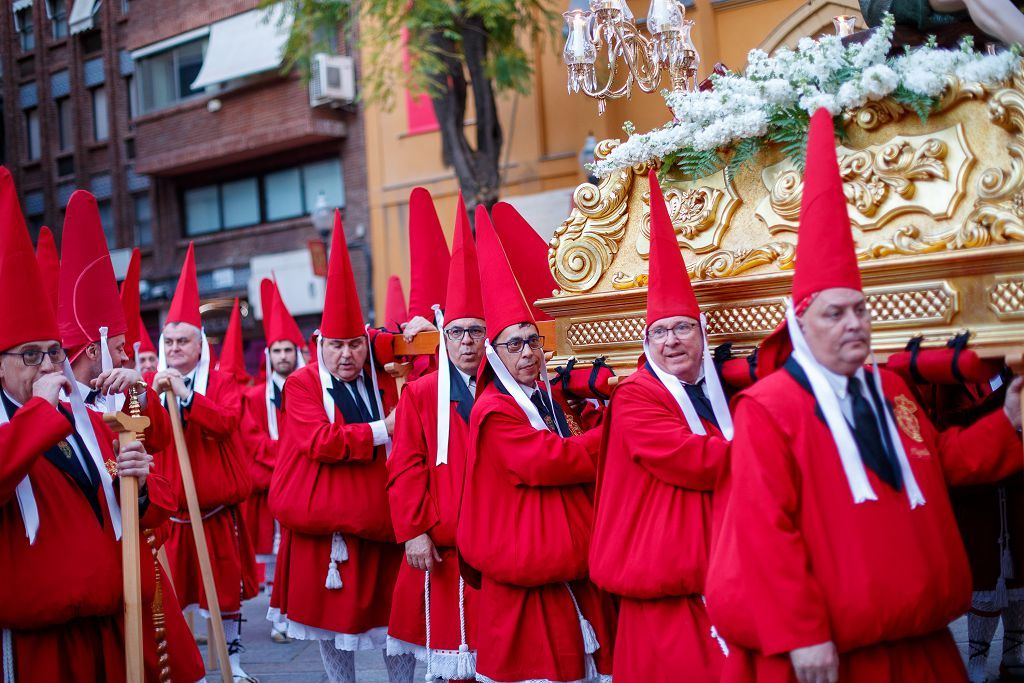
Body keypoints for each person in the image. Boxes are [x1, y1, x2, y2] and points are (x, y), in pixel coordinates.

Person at [706, 109, 1024, 683]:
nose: (854, 324)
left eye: (860, 310)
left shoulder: (890, 387)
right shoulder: (767, 408)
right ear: (800, 324)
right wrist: (802, 633)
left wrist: (1009, 420)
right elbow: (762, 531)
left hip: (919, 640)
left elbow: (939, 462)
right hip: (835, 652)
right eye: (836, 314)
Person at [0, 165, 163, 682]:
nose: (48, 366)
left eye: (53, 352)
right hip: (35, 646)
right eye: (30, 355)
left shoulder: (83, 421)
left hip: (106, 629)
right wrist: (41, 413)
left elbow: (145, 509)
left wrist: (135, 485)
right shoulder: (34, 421)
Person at [457, 205, 616, 683]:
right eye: (515, 345)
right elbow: (549, 461)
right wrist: (620, 428)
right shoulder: (494, 409)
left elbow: (575, 429)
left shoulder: (546, 396)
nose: (528, 353)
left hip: (568, 565)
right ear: (496, 355)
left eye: (533, 341)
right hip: (526, 570)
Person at [57, 187, 205, 683]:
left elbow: (159, 439)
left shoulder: (124, 393)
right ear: (91, 349)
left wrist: (139, 391)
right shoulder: (57, 410)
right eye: (119, 348)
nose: (126, 357)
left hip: (142, 555)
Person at [590, 170, 733, 682]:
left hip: (722, 574)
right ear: (646, 341)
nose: (671, 341)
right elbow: (692, 460)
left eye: (682, 329)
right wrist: (780, 442)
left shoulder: (720, 392)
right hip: (664, 583)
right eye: (660, 332)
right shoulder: (635, 397)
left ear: (701, 335)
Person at [268, 210, 415, 683]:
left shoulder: (379, 377)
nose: (346, 355)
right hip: (329, 531)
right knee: (334, 633)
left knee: (397, 624)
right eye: (336, 345)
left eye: (355, 344)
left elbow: (395, 344)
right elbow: (319, 441)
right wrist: (384, 429)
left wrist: (396, 334)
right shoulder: (303, 384)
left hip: (383, 525)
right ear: (319, 343)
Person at [150, 242, 259, 682]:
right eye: (169, 341)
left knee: (226, 590)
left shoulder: (223, 380)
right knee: (172, 595)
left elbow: (227, 421)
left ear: (200, 344)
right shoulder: (150, 382)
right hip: (172, 515)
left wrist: (188, 396)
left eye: (183, 341)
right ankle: (179, 666)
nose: (175, 348)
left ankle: (233, 662)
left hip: (214, 513)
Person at [386, 194, 482, 680]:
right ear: (444, 338)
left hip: (494, 545)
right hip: (441, 548)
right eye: (458, 332)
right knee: (444, 661)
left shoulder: (505, 391)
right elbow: (403, 466)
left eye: (477, 332)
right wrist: (415, 530)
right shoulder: (422, 394)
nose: (467, 342)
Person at [245, 278, 306, 642]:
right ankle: (279, 620)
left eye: (288, 350)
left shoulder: (312, 391)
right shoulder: (253, 397)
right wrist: (287, 459)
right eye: (277, 350)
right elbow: (252, 439)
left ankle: (299, 615)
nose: (283, 356)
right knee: (276, 554)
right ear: (269, 356)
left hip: (303, 483)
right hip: (274, 484)